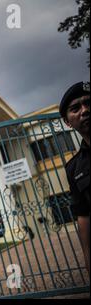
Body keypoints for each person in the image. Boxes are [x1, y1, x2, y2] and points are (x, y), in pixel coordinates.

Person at [60, 81, 90, 274]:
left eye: (89, 103)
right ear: (68, 122)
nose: (85, 110)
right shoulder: (74, 167)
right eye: (75, 108)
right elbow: (84, 215)